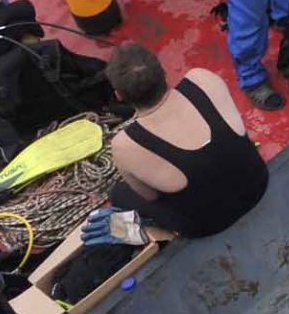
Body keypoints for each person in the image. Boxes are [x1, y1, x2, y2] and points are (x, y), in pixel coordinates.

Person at [87, 43, 267, 241]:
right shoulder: (202, 79)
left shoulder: (125, 146)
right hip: (258, 182)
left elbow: (151, 197)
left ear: (119, 95)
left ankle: (140, 234)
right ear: (163, 71)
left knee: (119, 193)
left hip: (210, 224)